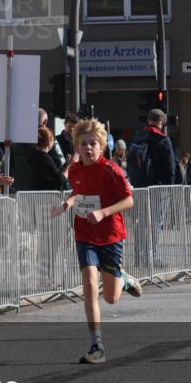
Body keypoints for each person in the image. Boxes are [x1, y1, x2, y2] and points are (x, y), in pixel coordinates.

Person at [50, 118, 140, 365]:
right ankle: (96, 345)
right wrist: (66, 204)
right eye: (83, 144)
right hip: (84, 234)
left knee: (111, 298)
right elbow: (78, 191)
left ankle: (122, 279)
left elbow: (129, 200)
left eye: (93, 144)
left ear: (101, 147)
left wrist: (103, 212)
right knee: (89, 284)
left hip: (110, 235)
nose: (88, 148)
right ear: (77, 148)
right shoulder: (76, 170)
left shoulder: (112, 170)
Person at [126, 109, 176, 188]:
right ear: (161, 122)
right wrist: (170, 185)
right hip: (158, 187)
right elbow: (171, 167)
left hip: (139, 187)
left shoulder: (137, 137)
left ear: (148, 120)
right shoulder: (163, 140)